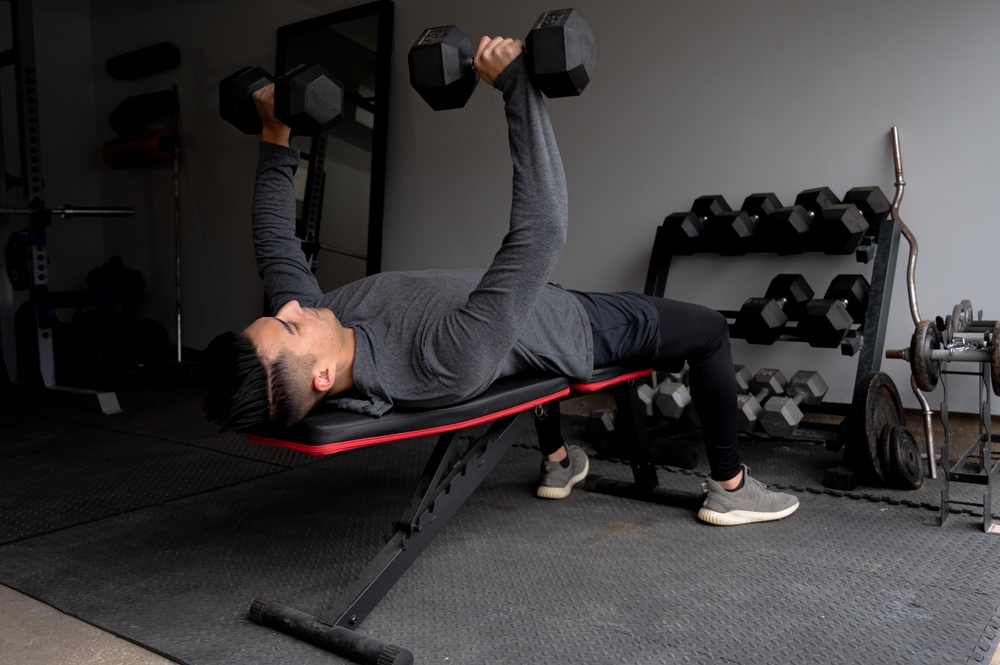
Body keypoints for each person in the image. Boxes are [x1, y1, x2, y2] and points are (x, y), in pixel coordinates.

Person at [204, 36, 798, 526]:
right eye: (288, 323)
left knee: (509, 324)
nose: (294, 307)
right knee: (707, 332)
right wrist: (518, 86)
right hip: (581, 328)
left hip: (525, 317)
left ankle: (560, 460)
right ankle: (731, 485)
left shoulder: (320, 326)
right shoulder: (441, 359)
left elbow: (276, 243)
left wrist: (275, 132)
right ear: (323, 375)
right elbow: (542, 231)